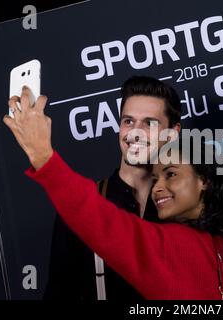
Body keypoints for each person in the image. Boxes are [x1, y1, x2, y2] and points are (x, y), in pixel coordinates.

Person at [3, 87, 223, 300]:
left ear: (205, 181)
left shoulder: (184, 244)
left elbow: (109, 226)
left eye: (171, 174)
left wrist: (43, 156)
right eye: (128, 121)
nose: (159, 186)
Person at [41, 76, 181, 300]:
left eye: (149, 123)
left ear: (172, 133)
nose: (135, 132)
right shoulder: (82, 207)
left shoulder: (189, 207)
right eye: (128, 121)